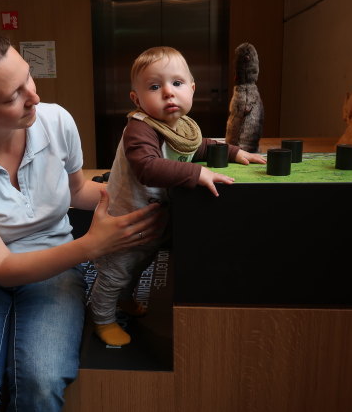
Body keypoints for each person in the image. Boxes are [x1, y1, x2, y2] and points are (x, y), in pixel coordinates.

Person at [0, 26, 162, 412]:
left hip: (55, 267)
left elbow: (77, 190)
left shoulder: (57, 121)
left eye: (27, 76)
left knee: (42, 382)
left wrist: (135, 199)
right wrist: (92, 245)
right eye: (13, 95)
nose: (34, 95)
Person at [90, 46, 266, 346]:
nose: (168, 93)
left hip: (153, 218)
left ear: (192, 89)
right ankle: (102, 317)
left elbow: (199, 146)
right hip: (125, 222)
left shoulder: (180, 126)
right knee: (116, 272)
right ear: (137, 99)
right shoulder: (139, 128)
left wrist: (235, 152)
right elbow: (147, 168)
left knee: (139, 266)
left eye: (177, 83)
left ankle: (125, 299)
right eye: (155, 87)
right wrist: (197, 174)